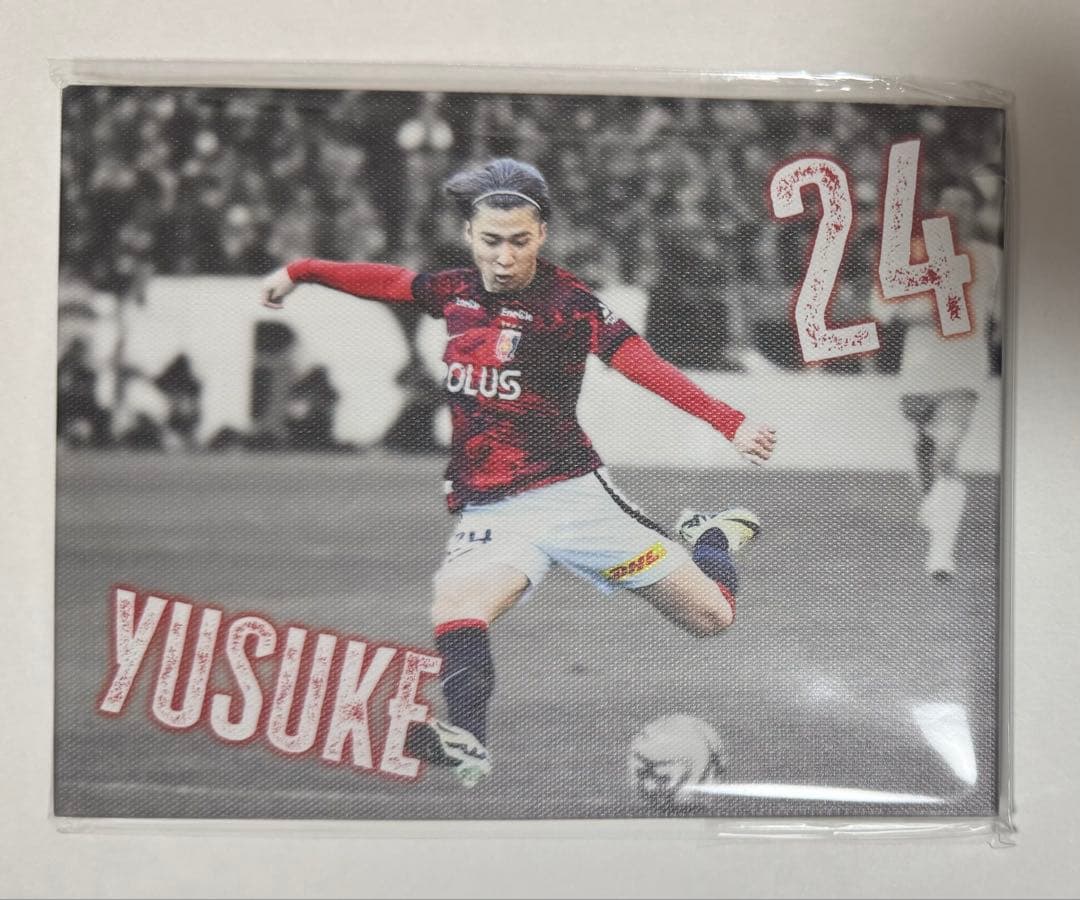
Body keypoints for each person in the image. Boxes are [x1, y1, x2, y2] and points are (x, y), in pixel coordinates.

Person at [259, 158, 776, 787]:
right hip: (492, 509)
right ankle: (469, 740)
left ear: (542, 236)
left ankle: (711, 537)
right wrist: (302, 271)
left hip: (573, 498)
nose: (504, 258)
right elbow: (390, 281)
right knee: (457, 605)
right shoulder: (455, 292)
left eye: (519, 241)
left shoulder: (570, 305)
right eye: (491, 241)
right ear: (469, 236)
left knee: (713, 617)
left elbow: (644, 364)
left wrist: (729, 422)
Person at [889, 183, 1003, 578]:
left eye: (965, 204)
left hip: (964, 370)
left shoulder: (992, 257)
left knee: (946, 454)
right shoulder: (914, 252)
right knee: (924, 452)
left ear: (976, 211)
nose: (956, 210)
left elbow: (1002, 317)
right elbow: (893, 311)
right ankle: (934, 510)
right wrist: (935, 310)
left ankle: (941, 555)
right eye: (949, 202)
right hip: (919, 369)